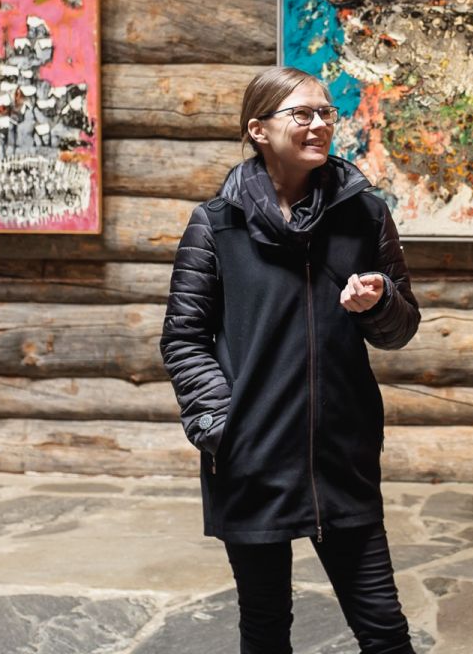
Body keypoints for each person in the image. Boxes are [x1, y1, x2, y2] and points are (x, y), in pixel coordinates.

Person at [160, 65, 422, 654]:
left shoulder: (365, 215)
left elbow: (401, 328)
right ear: (258, 129)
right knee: (266, 628)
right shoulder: (215, 225)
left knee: (384, 630)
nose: (318, 125)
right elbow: (183, 337)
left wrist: (378, 303)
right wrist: (224, 428)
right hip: (251, 459)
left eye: (326, 113)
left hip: (341, 454)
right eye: (301, 114)